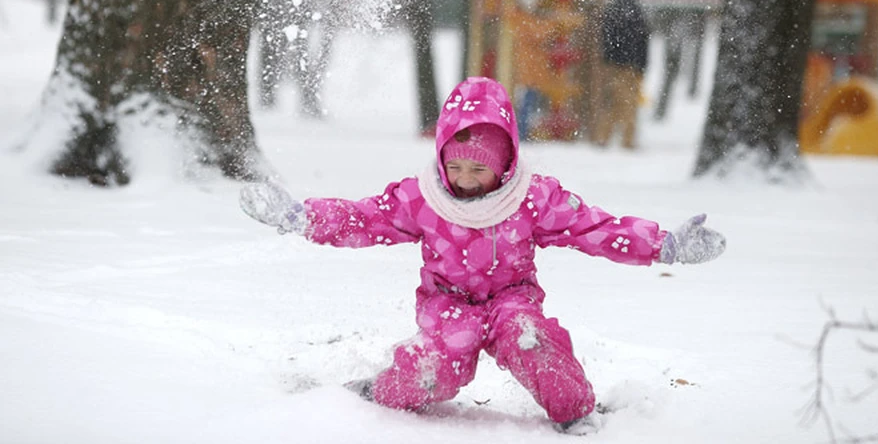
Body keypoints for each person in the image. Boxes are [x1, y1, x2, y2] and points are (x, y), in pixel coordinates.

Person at [239, 77, 725, 434]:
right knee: (441, 356)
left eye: (479, 168)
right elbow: (366, 218)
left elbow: (592, 226)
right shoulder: (423, 198)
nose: (466, 179)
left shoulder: (533, 199)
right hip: (446, 303)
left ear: (506, 162)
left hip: (512, 298)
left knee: (528, 337)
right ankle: (384, 389)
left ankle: (576, 410)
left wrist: (664, 244)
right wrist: (302, 217)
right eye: (456, 165)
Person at [596, 0, 650, 149]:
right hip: (631, 66)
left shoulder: (611, 11)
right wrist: (642, 66)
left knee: (610, 102)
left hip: (611, 66)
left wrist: (606, 60)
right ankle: (628, 140)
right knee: (629, 105)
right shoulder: (637, 13)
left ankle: (603, 137)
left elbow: (604, 39)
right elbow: (643, 42)